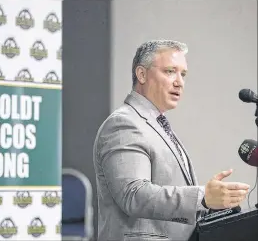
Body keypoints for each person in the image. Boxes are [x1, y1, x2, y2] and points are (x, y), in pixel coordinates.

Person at [92, 40, 250, 241]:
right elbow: (134, 195)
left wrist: (215, 210)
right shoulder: (124, 124)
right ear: (141, 74)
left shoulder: (156, 124)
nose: (179, 82)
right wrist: (202, 198)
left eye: (183, 74)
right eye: (170, 71)